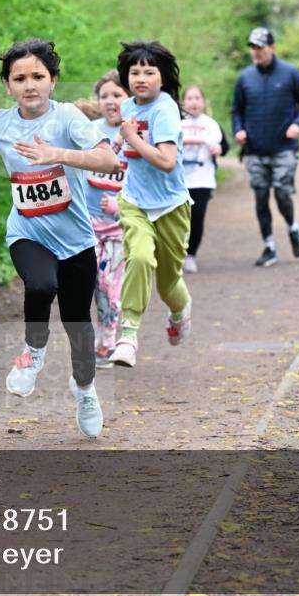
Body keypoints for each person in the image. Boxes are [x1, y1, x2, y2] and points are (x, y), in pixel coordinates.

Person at [0, 39, 121, 438]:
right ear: (8, 85)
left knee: (79, 327)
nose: (29, 85)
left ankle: (86, 391)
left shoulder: (68, 118)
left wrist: (59, 154)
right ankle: (32, 354)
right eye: (19, 78)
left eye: (38, 76)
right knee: (40, 285)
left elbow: (108, 160)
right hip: (27, 230)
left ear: (53, 80)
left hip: (75, 239)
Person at [108, 41, 192, 368]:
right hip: (134, 201)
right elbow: (123, 141)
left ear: (163, 78)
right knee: (140, 258)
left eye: (149, 72)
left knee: (168, 283)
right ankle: (127, 335)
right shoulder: (128, 106)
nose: (141, 78)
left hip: (171, 205)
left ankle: (180, 312)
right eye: (134, 72)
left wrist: (132, 139)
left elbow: (167, 161)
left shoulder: (164, 110)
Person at [231, 27, 299, 267]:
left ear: (273, 47)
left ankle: (293, 227)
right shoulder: (245, 78)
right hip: (255, 149)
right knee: (260, 196)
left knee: (281, 192)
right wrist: (238, 129)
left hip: (284, 148)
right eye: (253, 48)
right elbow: (236, 109)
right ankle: (269, 246)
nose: (256, 52)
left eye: (261, 47)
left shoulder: (290, 73)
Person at [82, 70, 130, 367]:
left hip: (117, 228)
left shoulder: (135, 133)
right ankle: (91, 340)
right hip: (85, 226)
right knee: (84, 284)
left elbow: (146, 181)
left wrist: (120, 205)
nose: (111, 101)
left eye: (117, 95)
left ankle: (108, 343)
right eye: (105, 96)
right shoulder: (88, 130)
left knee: (108, 285)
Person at [179, 85, 223, 273]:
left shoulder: (211, 124)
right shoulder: (175, 123)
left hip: (203, 181)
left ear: (203, 102)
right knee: (178, 221)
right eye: (189, 98)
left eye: (197, 98)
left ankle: (191, 255)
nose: (194, 102)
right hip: (178, 181)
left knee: (197, 220)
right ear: (182, 102)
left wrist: (218, 149)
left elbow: (221, 145)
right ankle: (175, 253)